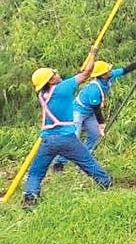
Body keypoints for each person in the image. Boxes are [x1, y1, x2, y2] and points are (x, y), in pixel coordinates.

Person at [22, 46, 113, 208]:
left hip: (47, 140)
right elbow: (86, 73)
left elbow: (77, 75)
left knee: (36, 171)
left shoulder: (43, 94)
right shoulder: (64, 88)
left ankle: (30, 195)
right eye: (54, 73)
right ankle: (106, 183)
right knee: (88, 162)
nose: (57, 73)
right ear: (50, 80)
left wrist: (79, 73)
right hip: (66, 138)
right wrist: (92, 53)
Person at [52, 50, 136, 172]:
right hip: (78, 111)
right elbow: (97, 110)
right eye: (108, 70)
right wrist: (102, 124)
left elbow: (126, 69)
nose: (111, 71)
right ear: (102, 74)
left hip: (89, 112)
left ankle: (85, 158)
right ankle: (59, 163)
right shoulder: (94, 89)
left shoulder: (109, 77)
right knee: (74, 136)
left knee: (95, 135)